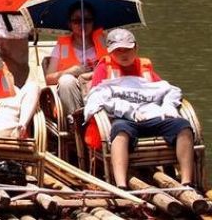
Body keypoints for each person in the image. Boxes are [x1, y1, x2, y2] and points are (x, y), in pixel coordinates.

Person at [84, 28, 195, 188]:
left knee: (183, 126)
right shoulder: (105, 68)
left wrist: (168, 106)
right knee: (119, 131)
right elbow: (97, 97)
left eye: (128, 49)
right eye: (118, 51)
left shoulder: (144, 67)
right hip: (125, 118)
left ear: (135, 48)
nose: (124, 54)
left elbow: (167, 89)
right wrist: (130, 111)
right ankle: (121, 184)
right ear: (110, 52)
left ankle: (187, 181)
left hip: (153, 116)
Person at [44, 3, 107, 117]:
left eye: (87, 20)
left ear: (93, 23)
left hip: (99, 90)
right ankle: (76, 123)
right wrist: (71, 71)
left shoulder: (104, 41)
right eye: (77, 21)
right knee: (66, 80)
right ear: (70, 24)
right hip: (72, 95)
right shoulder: (61, 46)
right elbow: (49, 79)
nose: (82, 25)